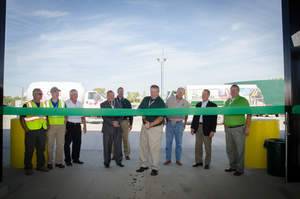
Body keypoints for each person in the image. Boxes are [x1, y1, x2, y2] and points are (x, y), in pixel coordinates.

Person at [136, 85, 166, 176]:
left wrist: (151, 124)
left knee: (154, 148)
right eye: (151, 91)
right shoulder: (146, 99)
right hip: (145, 125)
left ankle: (154, 168)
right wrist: (145, 121)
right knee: (143, 146)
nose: (152, 93)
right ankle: (144, 165)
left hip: (155, 128)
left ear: (158, 92)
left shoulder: (161, 102)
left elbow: (161, 118)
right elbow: (141, 110)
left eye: (154, 91)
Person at [224, 84, 251, 176]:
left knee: (239, 149)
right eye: (231, 90)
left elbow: (249, 114)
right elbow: (225, 113)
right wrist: (225, 124)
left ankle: (239, 169)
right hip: (228, 128)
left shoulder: (243, 100)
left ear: (238, 91)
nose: (233, 92)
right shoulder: (227, 101)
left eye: (235, 90)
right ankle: (232, 166)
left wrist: (247, 127)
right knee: (229, 149)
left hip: (238, 128)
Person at [20, 88, 49, 175]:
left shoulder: (44, 105)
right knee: (29, 150)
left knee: (41, 149)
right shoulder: (27, 105)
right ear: (34, 94)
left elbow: (46, 117)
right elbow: (22, 118)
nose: (41, 95)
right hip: (31, 132)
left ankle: (40, 166)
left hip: (41, 131)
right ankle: (28, 167)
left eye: (41, 94)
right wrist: (26, 129)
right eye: (39, 94)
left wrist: (48, 125)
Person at [191, 89, 217, 169]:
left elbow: (214, 119)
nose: (203, 95)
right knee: (198, 146)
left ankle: (207, 163)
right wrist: (192, 127)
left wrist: (213, 130)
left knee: (207, 146)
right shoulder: (198, 104)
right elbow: (195, 117)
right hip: (198, 127)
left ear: (208, 95)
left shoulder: (213, 105)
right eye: (202, 94)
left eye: (205, 94)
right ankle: (198, 161)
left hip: (207, 128)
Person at [164, 87, 190, 166]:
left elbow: (186, 114)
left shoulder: (186, 103)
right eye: (179, 92)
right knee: (168, 143)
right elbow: (165, 110)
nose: (180, 93)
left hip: (179, 124)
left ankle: (178, 160)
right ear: (177, 92)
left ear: (183, 94)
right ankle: (168, 159)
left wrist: (184, 124)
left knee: (179, 143)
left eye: (182, 92)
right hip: (170, 123)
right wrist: (166, 120)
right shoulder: (169, 100)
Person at [101, 90, 124, 168]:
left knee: (118, 146)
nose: (111, 97)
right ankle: (106, 162)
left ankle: (119, 161)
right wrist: (112, 123)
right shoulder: (103, 104)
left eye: (112, 95)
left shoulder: (118, 103)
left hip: (117, 128)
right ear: (107, 96)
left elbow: (121, 115)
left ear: (114, 96)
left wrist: (118, 122)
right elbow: (104, 116)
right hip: (107, 129)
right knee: (107, 146)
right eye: (109, 95)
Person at [64, 89, 87, 166]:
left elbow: (83, 115)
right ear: (70, 95)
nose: (75, 95)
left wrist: (85, 126)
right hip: (69, 125)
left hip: (77, 125)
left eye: (76, 94)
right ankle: (67, 160)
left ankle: (75, 159)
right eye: (73, 94)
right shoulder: (66, 103)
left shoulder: (80, 104)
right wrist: (64, 127)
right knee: (67, 144)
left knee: (77, 143)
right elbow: (65, 116)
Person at [46, 87, 66, 169]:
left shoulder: (62, 102)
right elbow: (45, 115)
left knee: (60, 145)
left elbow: (66, 114)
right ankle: (50, 162)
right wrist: (46, 124)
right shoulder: (46, 103)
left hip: (61, 126)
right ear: (51, 93)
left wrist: (65, 124)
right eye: (55, 92)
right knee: (50, 145)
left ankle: (59, 162)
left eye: (58, 92)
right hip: (50, 126)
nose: (57, 93)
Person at [113, 87, 133, 160]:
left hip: (124, 121)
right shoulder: (114, 101)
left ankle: (126, 154)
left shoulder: (127, 101)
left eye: (122, 91)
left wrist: (131, 123)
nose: (121, 92)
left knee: (125, 138)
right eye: (120, 91)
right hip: (116, 122)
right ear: (117, 92)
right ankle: (114, 154)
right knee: (115, 138)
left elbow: (130, 113)